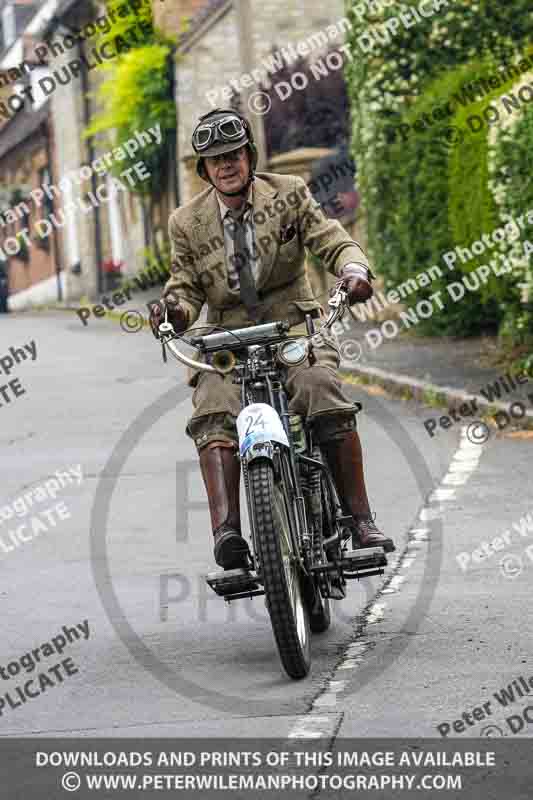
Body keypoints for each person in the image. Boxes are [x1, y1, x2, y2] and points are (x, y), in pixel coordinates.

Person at [150, 108, 394, 570]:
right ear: (203, 169)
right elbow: (183, 286)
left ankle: (360, 518)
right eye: (215, 159)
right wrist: (174, 312)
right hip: (225, 338)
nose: (227, 164)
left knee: (318, 387)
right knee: (213, 406)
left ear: (250, 156)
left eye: (234, 154)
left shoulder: (290, 192)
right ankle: (227, 535)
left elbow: (331, 239)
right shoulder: (187, 222)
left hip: (294, 325)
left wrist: (353, 270)